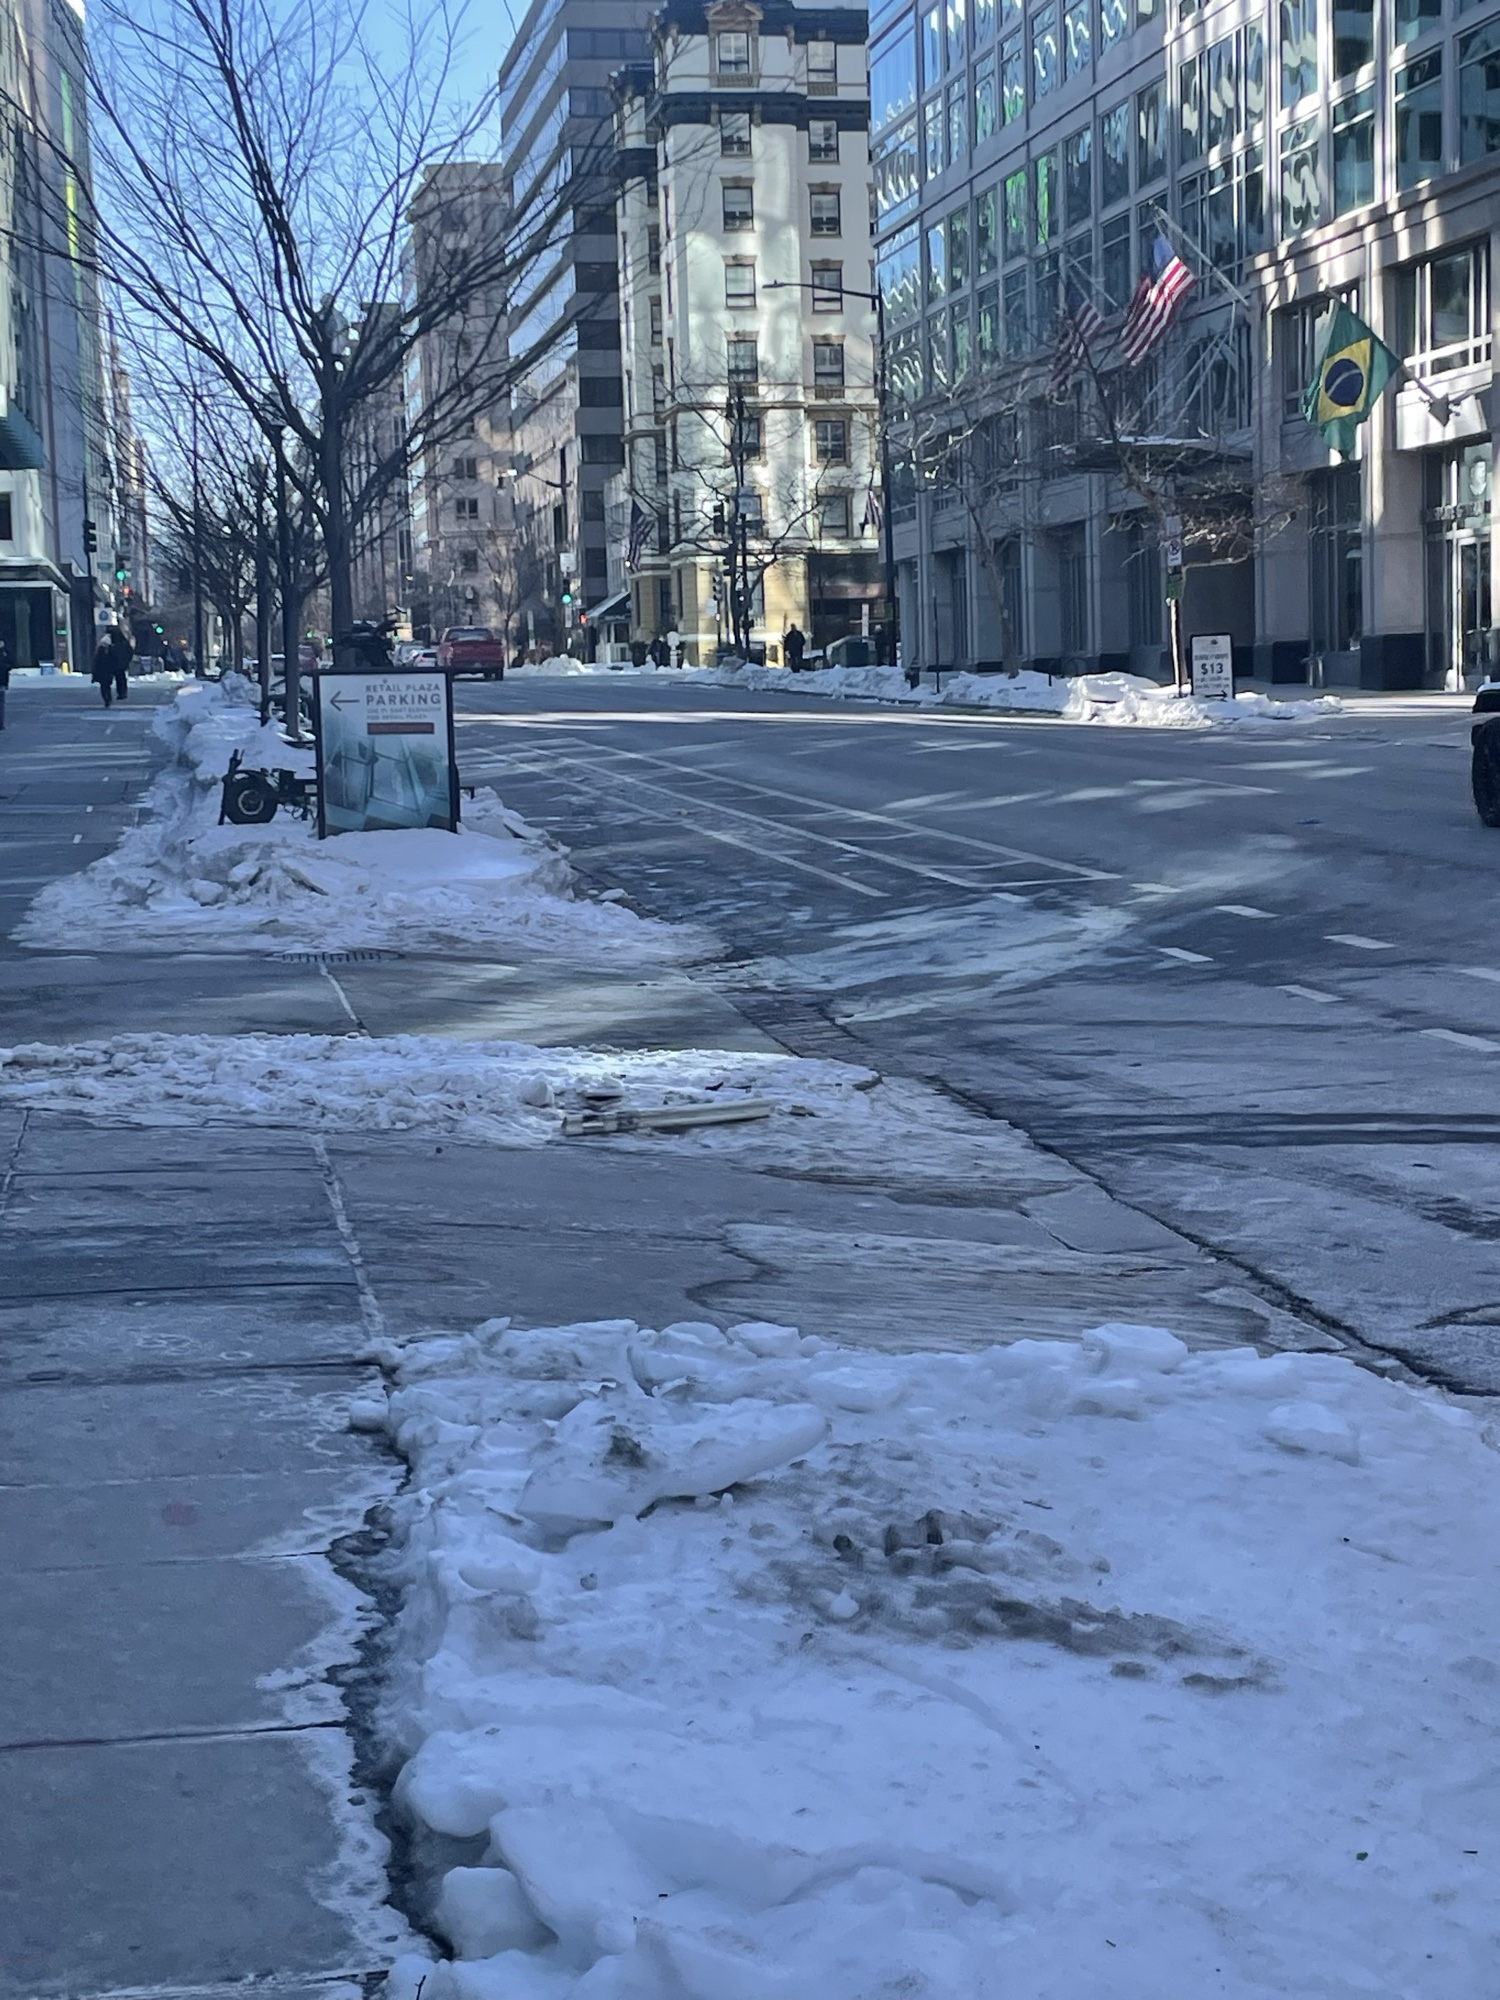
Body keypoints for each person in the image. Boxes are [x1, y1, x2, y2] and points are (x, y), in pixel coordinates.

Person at [107, 624, 133, 701]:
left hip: (114, 663)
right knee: (121, 678)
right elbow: (130, 651)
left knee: (113, 678)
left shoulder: (111, 643)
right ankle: (122, 692)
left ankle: (111, 694)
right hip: (122, 663)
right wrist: (127, 660)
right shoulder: (123, 642)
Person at [91, 631, 117, 706]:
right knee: (105, 686)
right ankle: (107, 699)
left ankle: (107, 699)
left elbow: (95, 663)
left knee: (105, 686)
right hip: (104, 671)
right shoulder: (107, 651)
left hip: (105, 671)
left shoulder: (102, 652)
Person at [0, 635, 10, 730]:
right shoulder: (4, 654)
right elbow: (8, 667)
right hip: (2, 682)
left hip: (2, 681)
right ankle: (0, 723)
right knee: (1, 704)